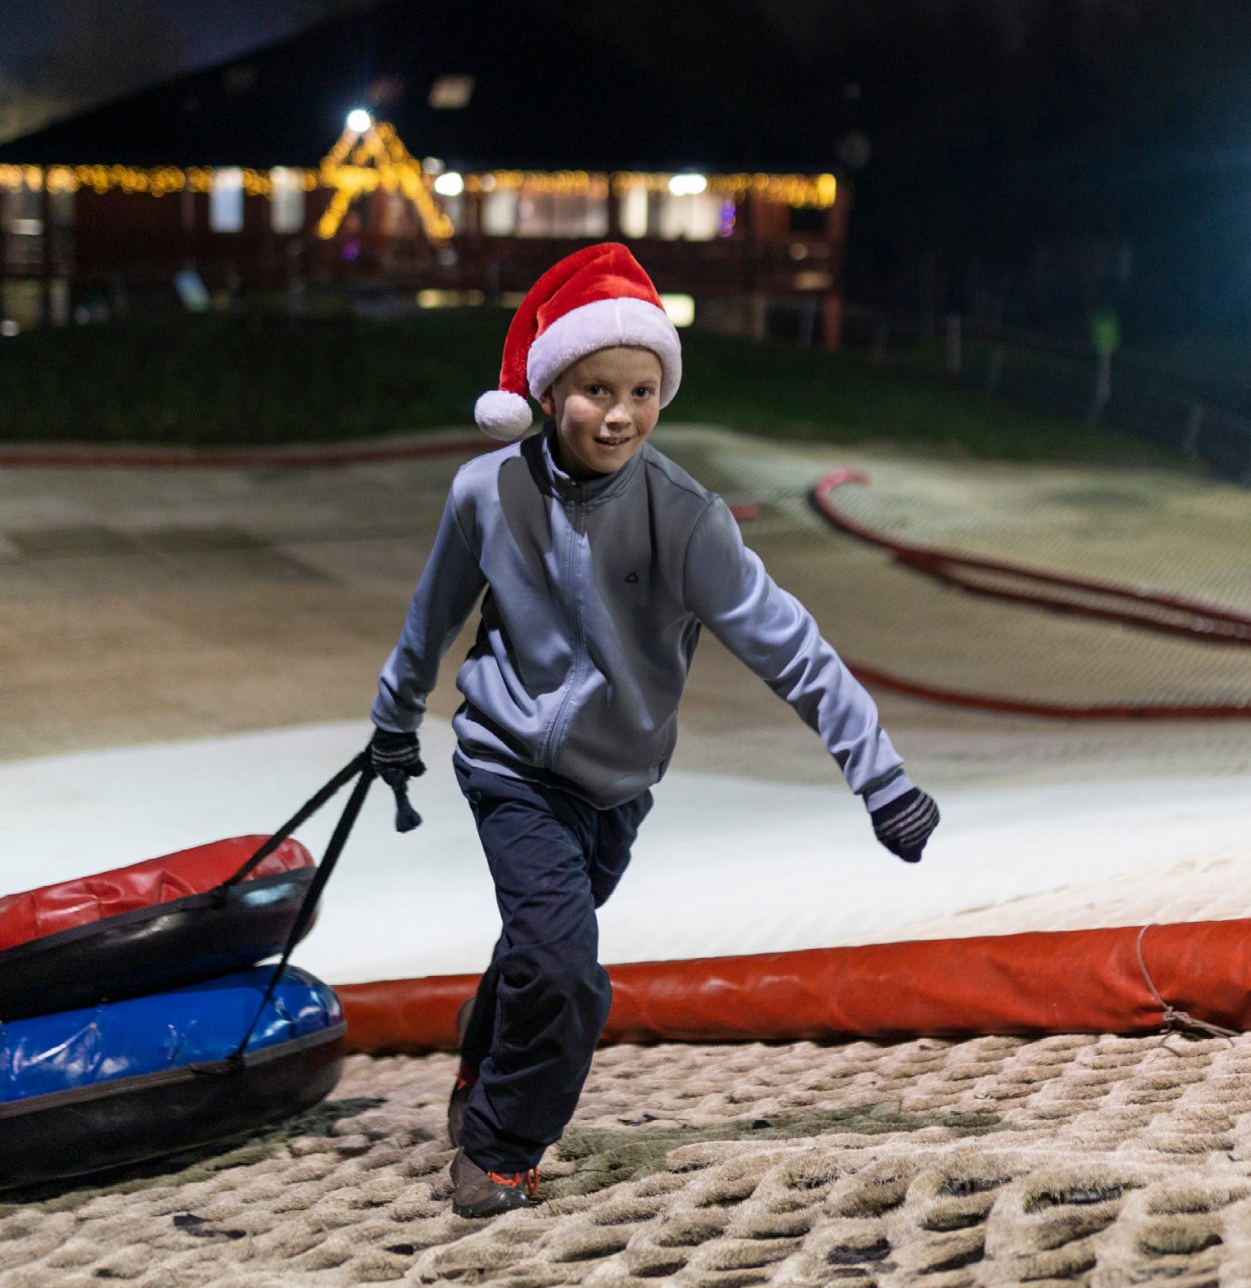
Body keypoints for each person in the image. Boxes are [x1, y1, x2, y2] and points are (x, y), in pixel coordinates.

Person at [365, 243, 939, 1219]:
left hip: (618, 786)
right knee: (560, 963)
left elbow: (787, 645)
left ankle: (479, 1070)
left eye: (641, 389)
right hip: (507, 763)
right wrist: (391, 722)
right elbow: (431, 618)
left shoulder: (685, 519)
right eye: (595, 389)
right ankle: (501, 1146)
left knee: (535, 949)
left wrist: (877, 776)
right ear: (551, 389)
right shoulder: (485, 492)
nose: (620, 413)